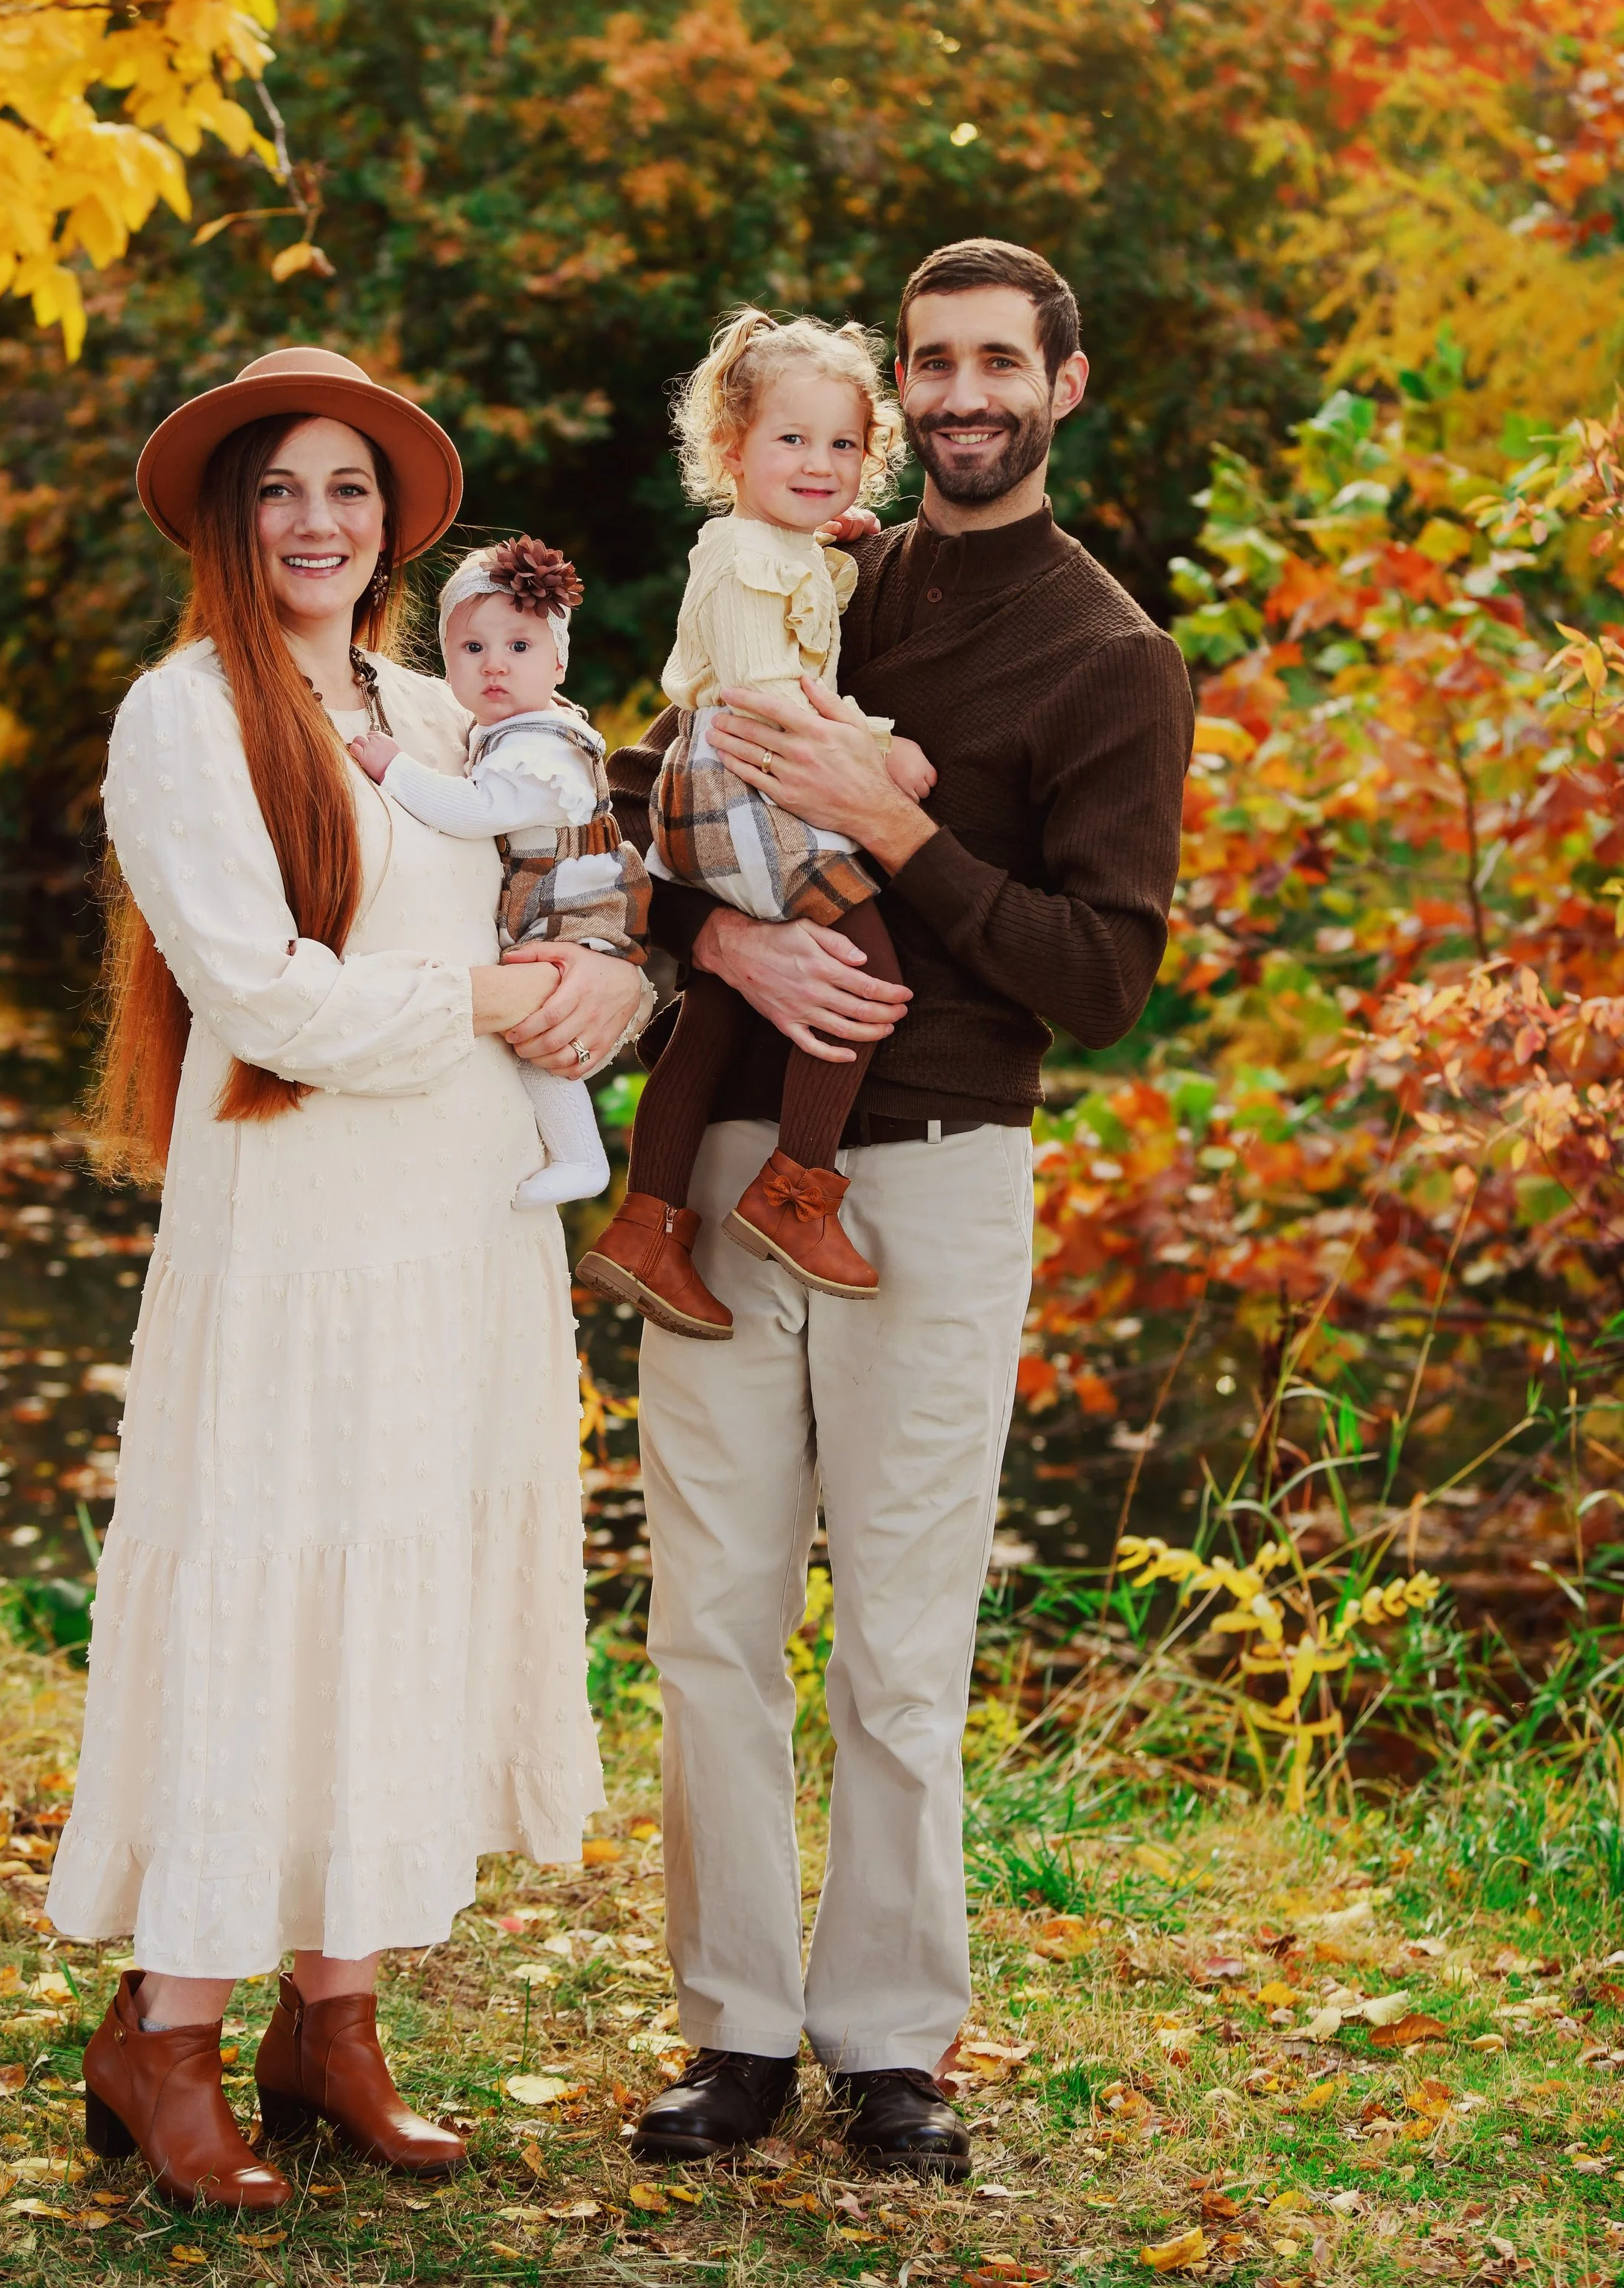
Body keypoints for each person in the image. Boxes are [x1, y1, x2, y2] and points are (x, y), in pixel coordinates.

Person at [605, 241, 1195, 2177]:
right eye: (928, 359)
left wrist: (895, 828)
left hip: (931, 1185)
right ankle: (733, 2028)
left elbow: (1096, 976)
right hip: (709, 1171)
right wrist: (730, 947)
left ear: (1061, 386)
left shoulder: (1111, 657)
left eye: (993, 363)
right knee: (708, 1618)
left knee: (897, 1643)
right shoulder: (808, 566)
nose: (956, 392)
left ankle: (884, 2041)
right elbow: (640, 803)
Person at [46, 346, 651, 2213]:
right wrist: (483, 999)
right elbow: (265, 990)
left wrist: (610, 983)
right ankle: (169, 2023)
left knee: (407, 1580)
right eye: (282, 489)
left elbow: (564, 888)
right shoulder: (183, 712)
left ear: (390, 524)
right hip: (297, 1223)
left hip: (464, 1219)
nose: (319, 521)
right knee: (274, 1575)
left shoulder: (438, 699)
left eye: (349, 490)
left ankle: (339, 2019)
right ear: (231, 522)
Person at [576, 311, 937, 1333]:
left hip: (727, 795)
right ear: (733, 453)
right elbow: (766, 690)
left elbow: (799, 604)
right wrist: (877, 747)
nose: (820, 463)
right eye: (792, 440)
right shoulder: (740, 559)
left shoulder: (776, 547)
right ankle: (794, 1192)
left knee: (722, 1006)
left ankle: (647, 1226)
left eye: (843, 444)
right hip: (741, 789)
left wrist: (833, 546)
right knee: (866, 972)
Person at [349, 532, 649, 1209]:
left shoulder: (540, 745)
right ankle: (577, 1154)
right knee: (536, 1031)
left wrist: (394, 769)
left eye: (519, 647)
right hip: (564, 897)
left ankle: (583, 1158)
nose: (494, 666)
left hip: (575, 905)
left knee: (537, 1034)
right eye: (472, 648)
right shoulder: (510, 730)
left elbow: (474, 810)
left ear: (558, 661)